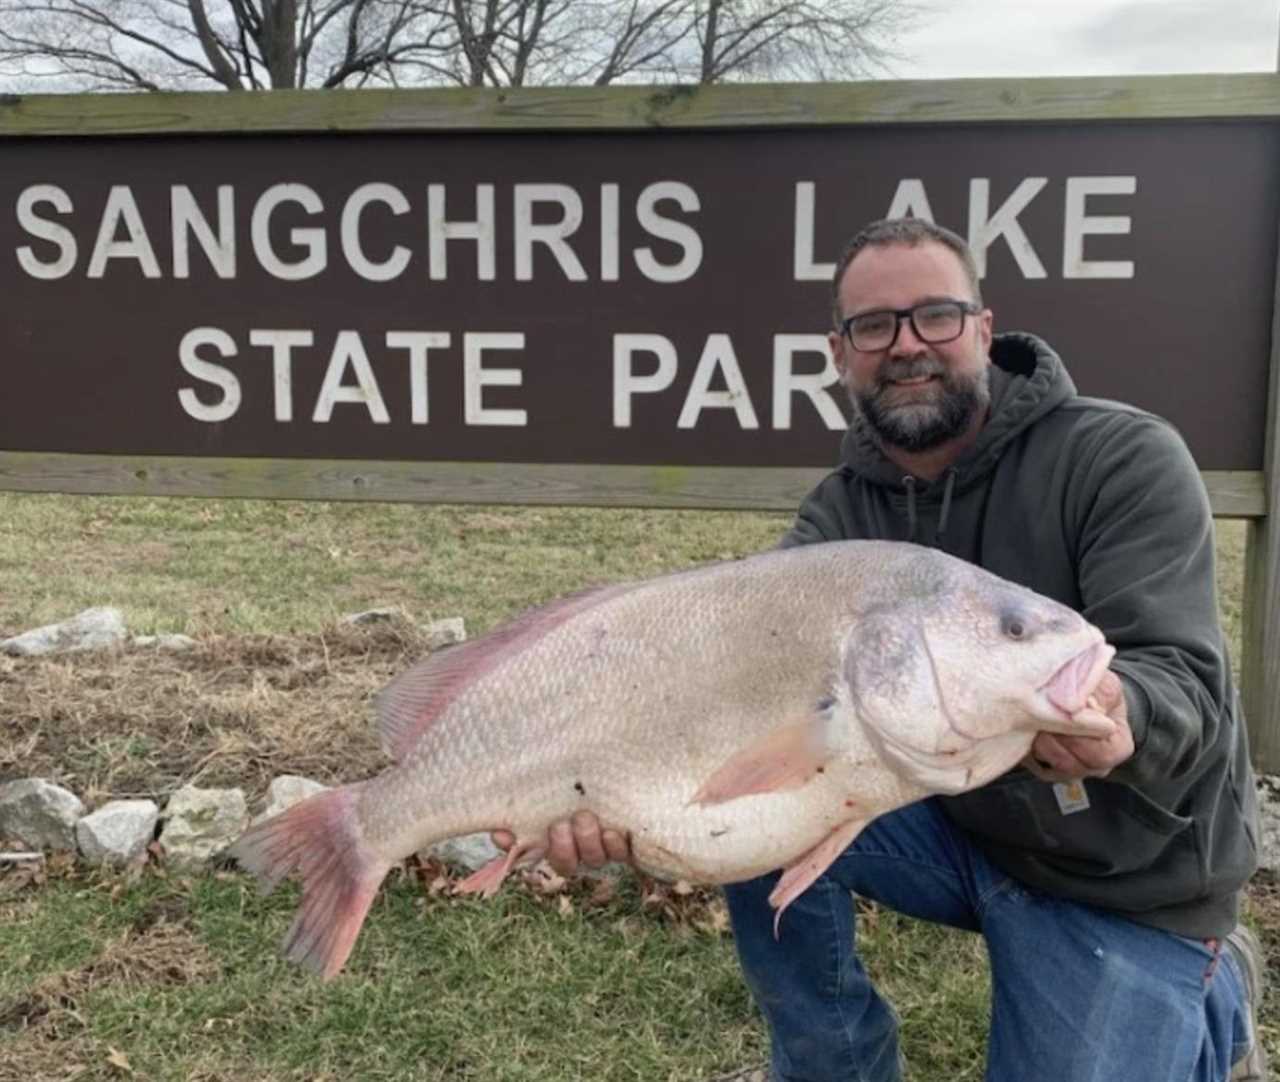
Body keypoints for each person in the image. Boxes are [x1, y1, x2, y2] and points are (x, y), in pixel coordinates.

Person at [495, 218, 1267, 1082]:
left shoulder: (1118, 457)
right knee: (742, 805)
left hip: (1124, 879)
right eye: (874, 327)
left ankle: (1211, 990)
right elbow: (725, 686)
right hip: (951, 815)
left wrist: (1124, 715)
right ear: (840, 350)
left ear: (982, 326)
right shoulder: (843, 512)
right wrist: (602, 792)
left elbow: (1186, 684)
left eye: (934, 316)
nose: (906, 347)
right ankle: (836, 1067)